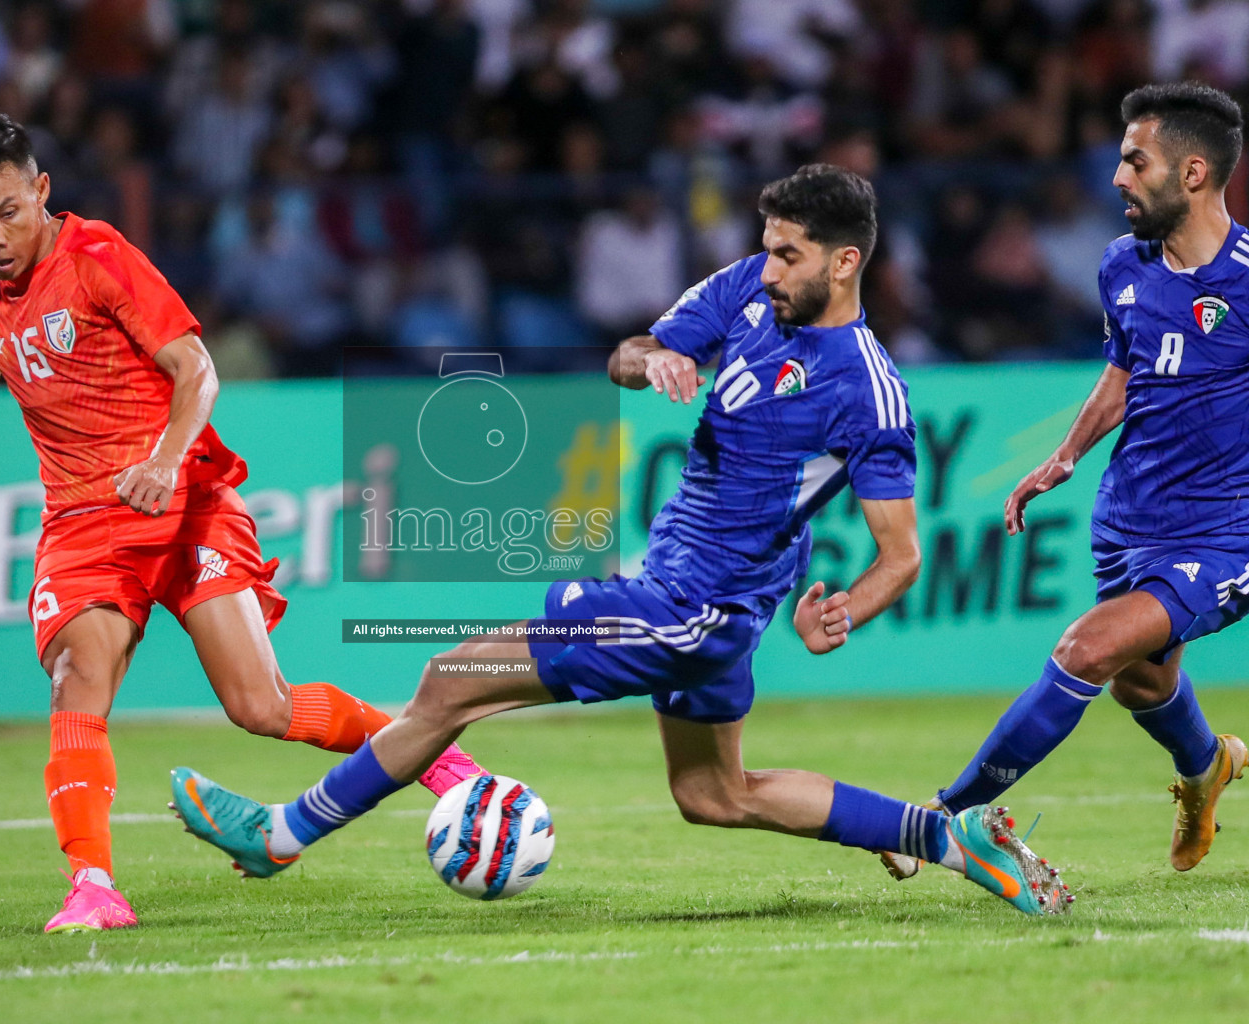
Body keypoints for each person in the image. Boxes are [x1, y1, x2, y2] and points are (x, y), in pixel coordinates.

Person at [167, 165, 1073, 917]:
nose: (765, 269)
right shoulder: (747, 297)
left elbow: (901, 551)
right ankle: (950, 839)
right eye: (765, 248)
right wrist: (658, 360)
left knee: (450, 680)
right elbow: (626, 352)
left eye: (787, 255)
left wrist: (846, 610)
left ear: (844, 263)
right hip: (688, 594)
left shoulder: (869, 394)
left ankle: (279, 838)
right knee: (714, 796)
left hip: (695, 608)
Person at [0, 111, 483, 934]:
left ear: (41, 191)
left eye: (9, 212)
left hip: (183, 503)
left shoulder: (99, 258)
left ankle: (441, 758)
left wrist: (166, 461)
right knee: (78, 680)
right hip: (83, 524)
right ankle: (94, 886)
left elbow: (197, 368)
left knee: (262, 705)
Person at [879, 82, 1249, 883]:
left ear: (1191, 173)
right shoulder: (1122, 264)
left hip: (1224, 534)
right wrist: (1066, 455)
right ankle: (1208, 765)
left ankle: (944, 817)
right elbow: (1123, 372)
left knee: (1087, 649)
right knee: (1141, 682)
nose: (1116, 177)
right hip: (1128, 515)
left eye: (1133, 160)